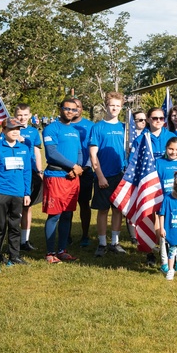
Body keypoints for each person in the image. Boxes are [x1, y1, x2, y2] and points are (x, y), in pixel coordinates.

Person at [0, 117, 35, 272]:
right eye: (11, 129)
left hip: (18, 194)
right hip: (1, 193)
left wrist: (27, 193)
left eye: (17, 129)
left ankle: (14, 256)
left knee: (15, 226)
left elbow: (27, 172)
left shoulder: (24, 149)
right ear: (4, 131)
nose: (15, 132)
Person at [42, 98, 85, 264]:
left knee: (68, 214)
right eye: (67, 108)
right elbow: (52, 153)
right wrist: (73, 166)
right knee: (54, 215)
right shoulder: (51, 129)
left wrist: (78, 167)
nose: (70, 112)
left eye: (73, 109)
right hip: (56, 177)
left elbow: (80, 151)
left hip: (72, 178)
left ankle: (61, 250)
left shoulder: (74, 131)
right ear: (60, 109)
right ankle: (50, 252)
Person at [88, 91, 128, 257]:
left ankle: (115, 242)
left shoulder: (125, 127)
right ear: (106, 105)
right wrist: (100, 175)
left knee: (118, 210)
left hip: (121, 175)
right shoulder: (98, 127)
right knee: (103, 210)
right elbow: (93, 154)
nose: (114, 108)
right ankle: (102, 243)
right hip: (104, 175)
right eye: (112, 105)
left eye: (118, 106)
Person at [13, 103, 43, 252]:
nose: (22, 118)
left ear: (30, 116)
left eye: (25, 115)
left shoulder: (33, 132)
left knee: (27, 206)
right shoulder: (9, 129)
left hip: (29, 172)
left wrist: (39, 170)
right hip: (12, 172)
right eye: (19, 115)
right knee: (13, 207)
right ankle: (13, 239)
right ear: (15, 115)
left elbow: (37, 152)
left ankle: (25, 240)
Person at [69, 97, 94, 248]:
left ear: (81, 109)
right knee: (67, 205)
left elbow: (94, 148)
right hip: (67, 171)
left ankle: (85, 235)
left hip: (85, 170)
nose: (75, 109)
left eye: (77, 107)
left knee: (84, 204)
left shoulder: (91, 126)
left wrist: (84, 167)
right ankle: (67, 235)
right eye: (72, 107)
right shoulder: (62, 126)